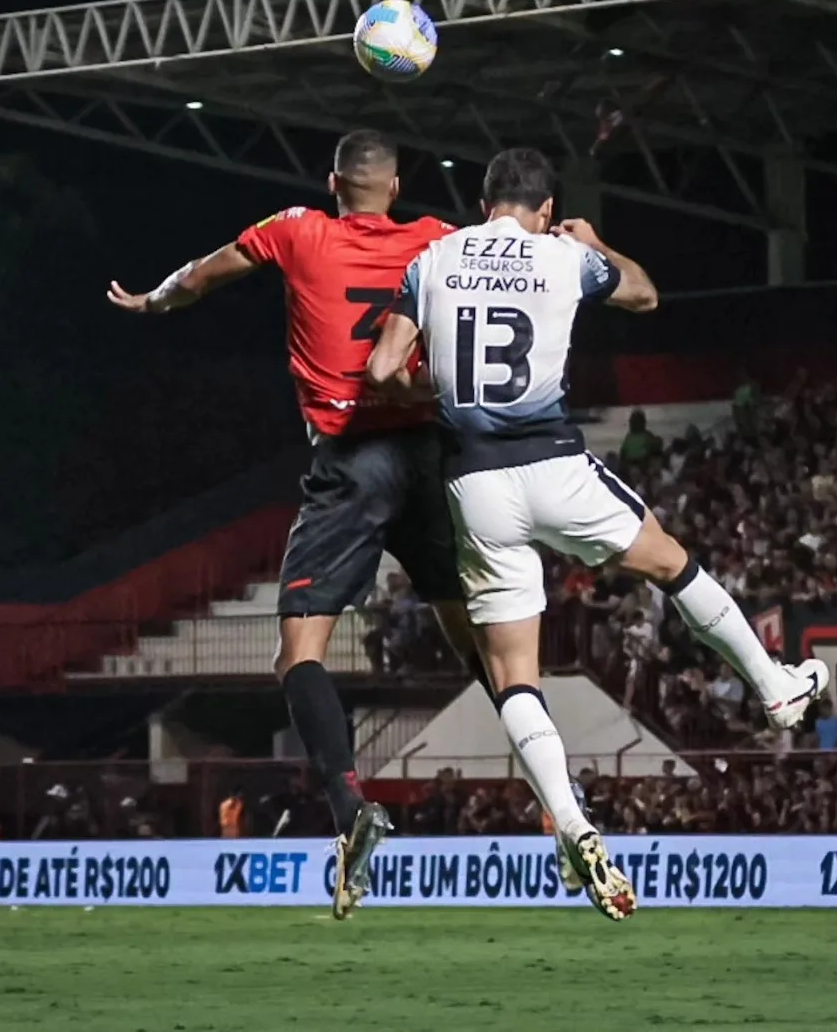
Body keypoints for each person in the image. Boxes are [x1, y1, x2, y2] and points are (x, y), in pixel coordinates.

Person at [366, 147, 829, 920]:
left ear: (485, 202)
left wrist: (436, 377)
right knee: (674, 567)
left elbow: (383, 371)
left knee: (514, 674)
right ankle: (775, 687)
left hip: (474, 482)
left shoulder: (432, 255)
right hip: (552, 463)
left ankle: (572, 820)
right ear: (545, 209)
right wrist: (596, 243)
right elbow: (646, 296)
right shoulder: (564, 256)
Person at [106, 130, 552, 918]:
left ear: (332, 183)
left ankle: (351, 807)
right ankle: (557, 792)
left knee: (297, 650)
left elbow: (202, 275)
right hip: (428, 453)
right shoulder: (434, 239)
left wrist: (153, 300)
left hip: (350, 461)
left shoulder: (296, 229)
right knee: (475, 635)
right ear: (397, 183)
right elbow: (506, 266)